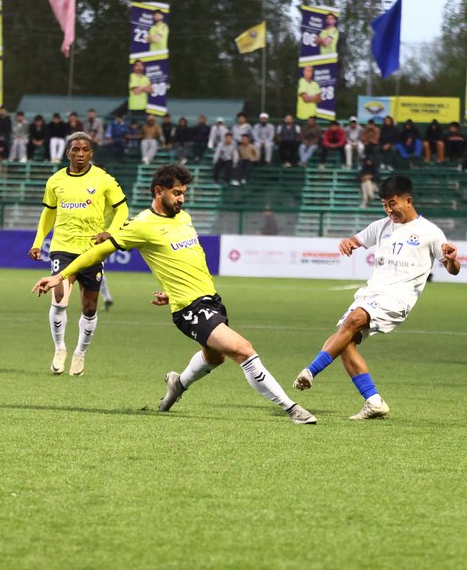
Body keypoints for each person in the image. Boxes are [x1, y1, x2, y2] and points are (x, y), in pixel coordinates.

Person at [31, 164, 317, 425]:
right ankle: (292, 409)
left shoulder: (184, 218)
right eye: (176, 193)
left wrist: (171, 289)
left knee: (214, 358)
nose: (181, 199)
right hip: (189, 310)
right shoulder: (141, 225)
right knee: (243, 350)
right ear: (159, 192)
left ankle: (177, 386)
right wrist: (60, 275)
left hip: (211, 300)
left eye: (184, 194)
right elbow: (98, 251)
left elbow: (186, 260)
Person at [293, 175, 460, 419]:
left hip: (398, 298)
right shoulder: (381, 226)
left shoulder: (430, 233)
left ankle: (310, 371)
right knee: (344, 342)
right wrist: (348, 242)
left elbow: (452, 269)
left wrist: (453, 258)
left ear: (408, 201)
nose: (388, 210)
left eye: (392, 203)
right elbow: (356, 240)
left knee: (350, 323)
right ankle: (374, 401)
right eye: (384, 204)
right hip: (371, 293)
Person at [29, 131, 129, 376]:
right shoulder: (55, 181)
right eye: (76, 149)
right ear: (68, 153)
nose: (80, 154)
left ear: (91, 153)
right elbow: (48, 213)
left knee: (90, 308)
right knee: (59, 298)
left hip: (92, 250)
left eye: (85, 149)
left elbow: (123, 209)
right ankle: (60, 348)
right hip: (62, 247)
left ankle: (80, 353)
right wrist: (38, 242)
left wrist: (111, 232)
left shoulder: (103, 179)